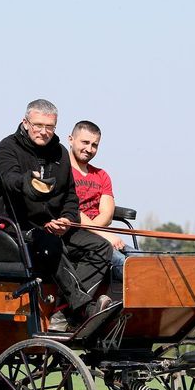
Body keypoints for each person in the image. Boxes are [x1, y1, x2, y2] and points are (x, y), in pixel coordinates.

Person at [0, 99, 112, 330]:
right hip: (19, 227)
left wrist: (67, 220)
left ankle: (64, 310)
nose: (44, 132)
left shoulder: (60, 153)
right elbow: (11, 180)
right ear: (25, 123)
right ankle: (83, 307)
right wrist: (29, 182)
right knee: (50, 244)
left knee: (102, 247)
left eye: (50, 127)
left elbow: (70, 197)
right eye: (38, 125)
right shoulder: (7, 148)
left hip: (55, 227)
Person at [68, 120, 129, 280]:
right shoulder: (62, 171)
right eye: (85, 142)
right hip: (73, 235)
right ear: (70, 139)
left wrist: (99, 234)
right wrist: (102, 235)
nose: (89, 149)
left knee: (142, 260)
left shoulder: (102, 175)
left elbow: (107, 215)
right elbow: (72, 211)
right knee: (125, 265)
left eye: (94, 145)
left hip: (100, 234)